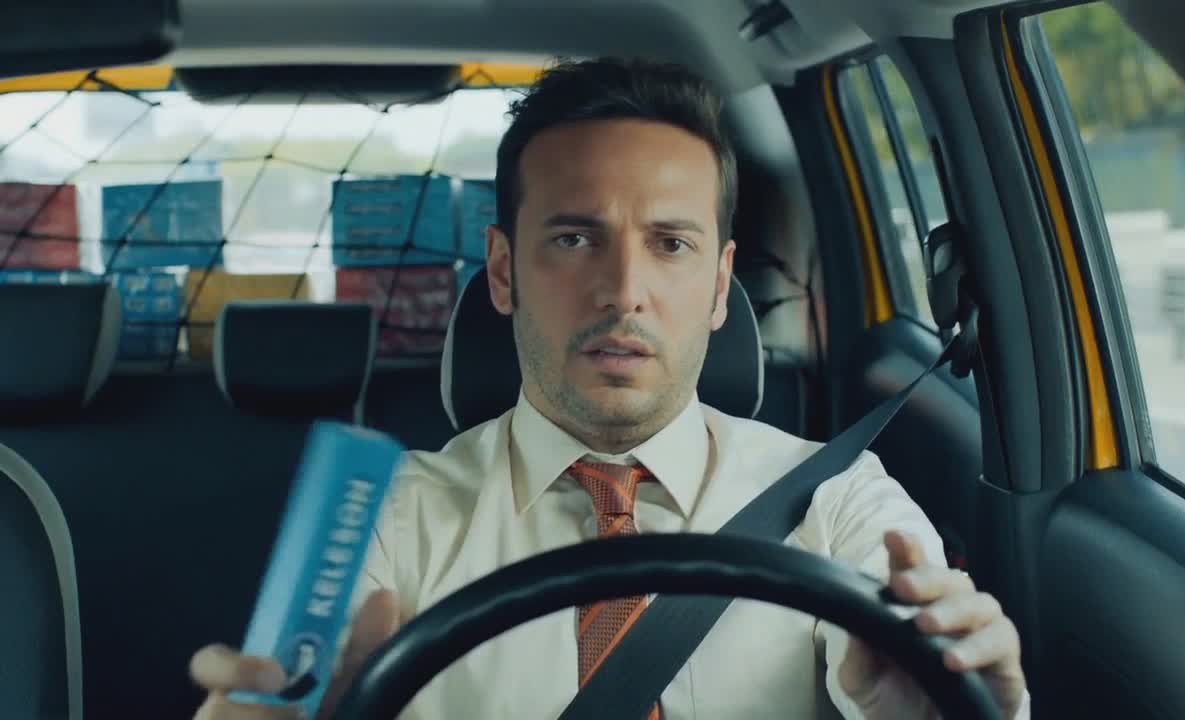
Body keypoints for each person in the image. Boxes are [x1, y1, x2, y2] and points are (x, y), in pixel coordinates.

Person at [189, 57, 1031, 720]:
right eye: (574, 238)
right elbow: (298, 682)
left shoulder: (839, 501)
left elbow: (924, 675)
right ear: (503, 271)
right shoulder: (389, 521)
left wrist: (945, 708)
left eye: (670, 244)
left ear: (719, 286)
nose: (623, 291)